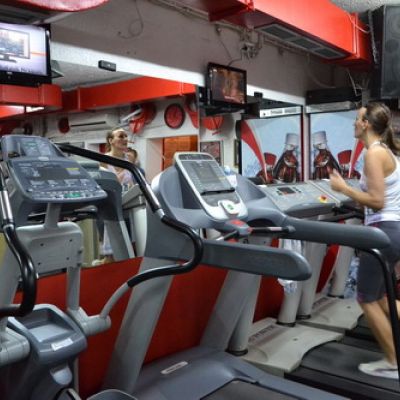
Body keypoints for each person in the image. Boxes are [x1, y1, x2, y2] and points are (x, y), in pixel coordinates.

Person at [330, 102, 400, 379]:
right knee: (381, 297)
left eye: (358, 118)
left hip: (383, 231)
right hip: (392, 229)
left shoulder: (374, 153)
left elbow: (377, 200)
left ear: (367, 124)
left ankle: (392, 363)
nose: (354, 123)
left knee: (365, 298)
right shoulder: (387, 152)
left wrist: (343, 188)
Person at [94, 128, 135, 265]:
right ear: (111, 141)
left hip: (127, 204)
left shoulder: (129, 159)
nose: (125, 139)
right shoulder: (103, 160)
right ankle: (108, 260)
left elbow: (131, 182)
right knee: (111, 253)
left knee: (130, 246)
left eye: (126, 136)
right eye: (121, 136)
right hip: (110, 205)